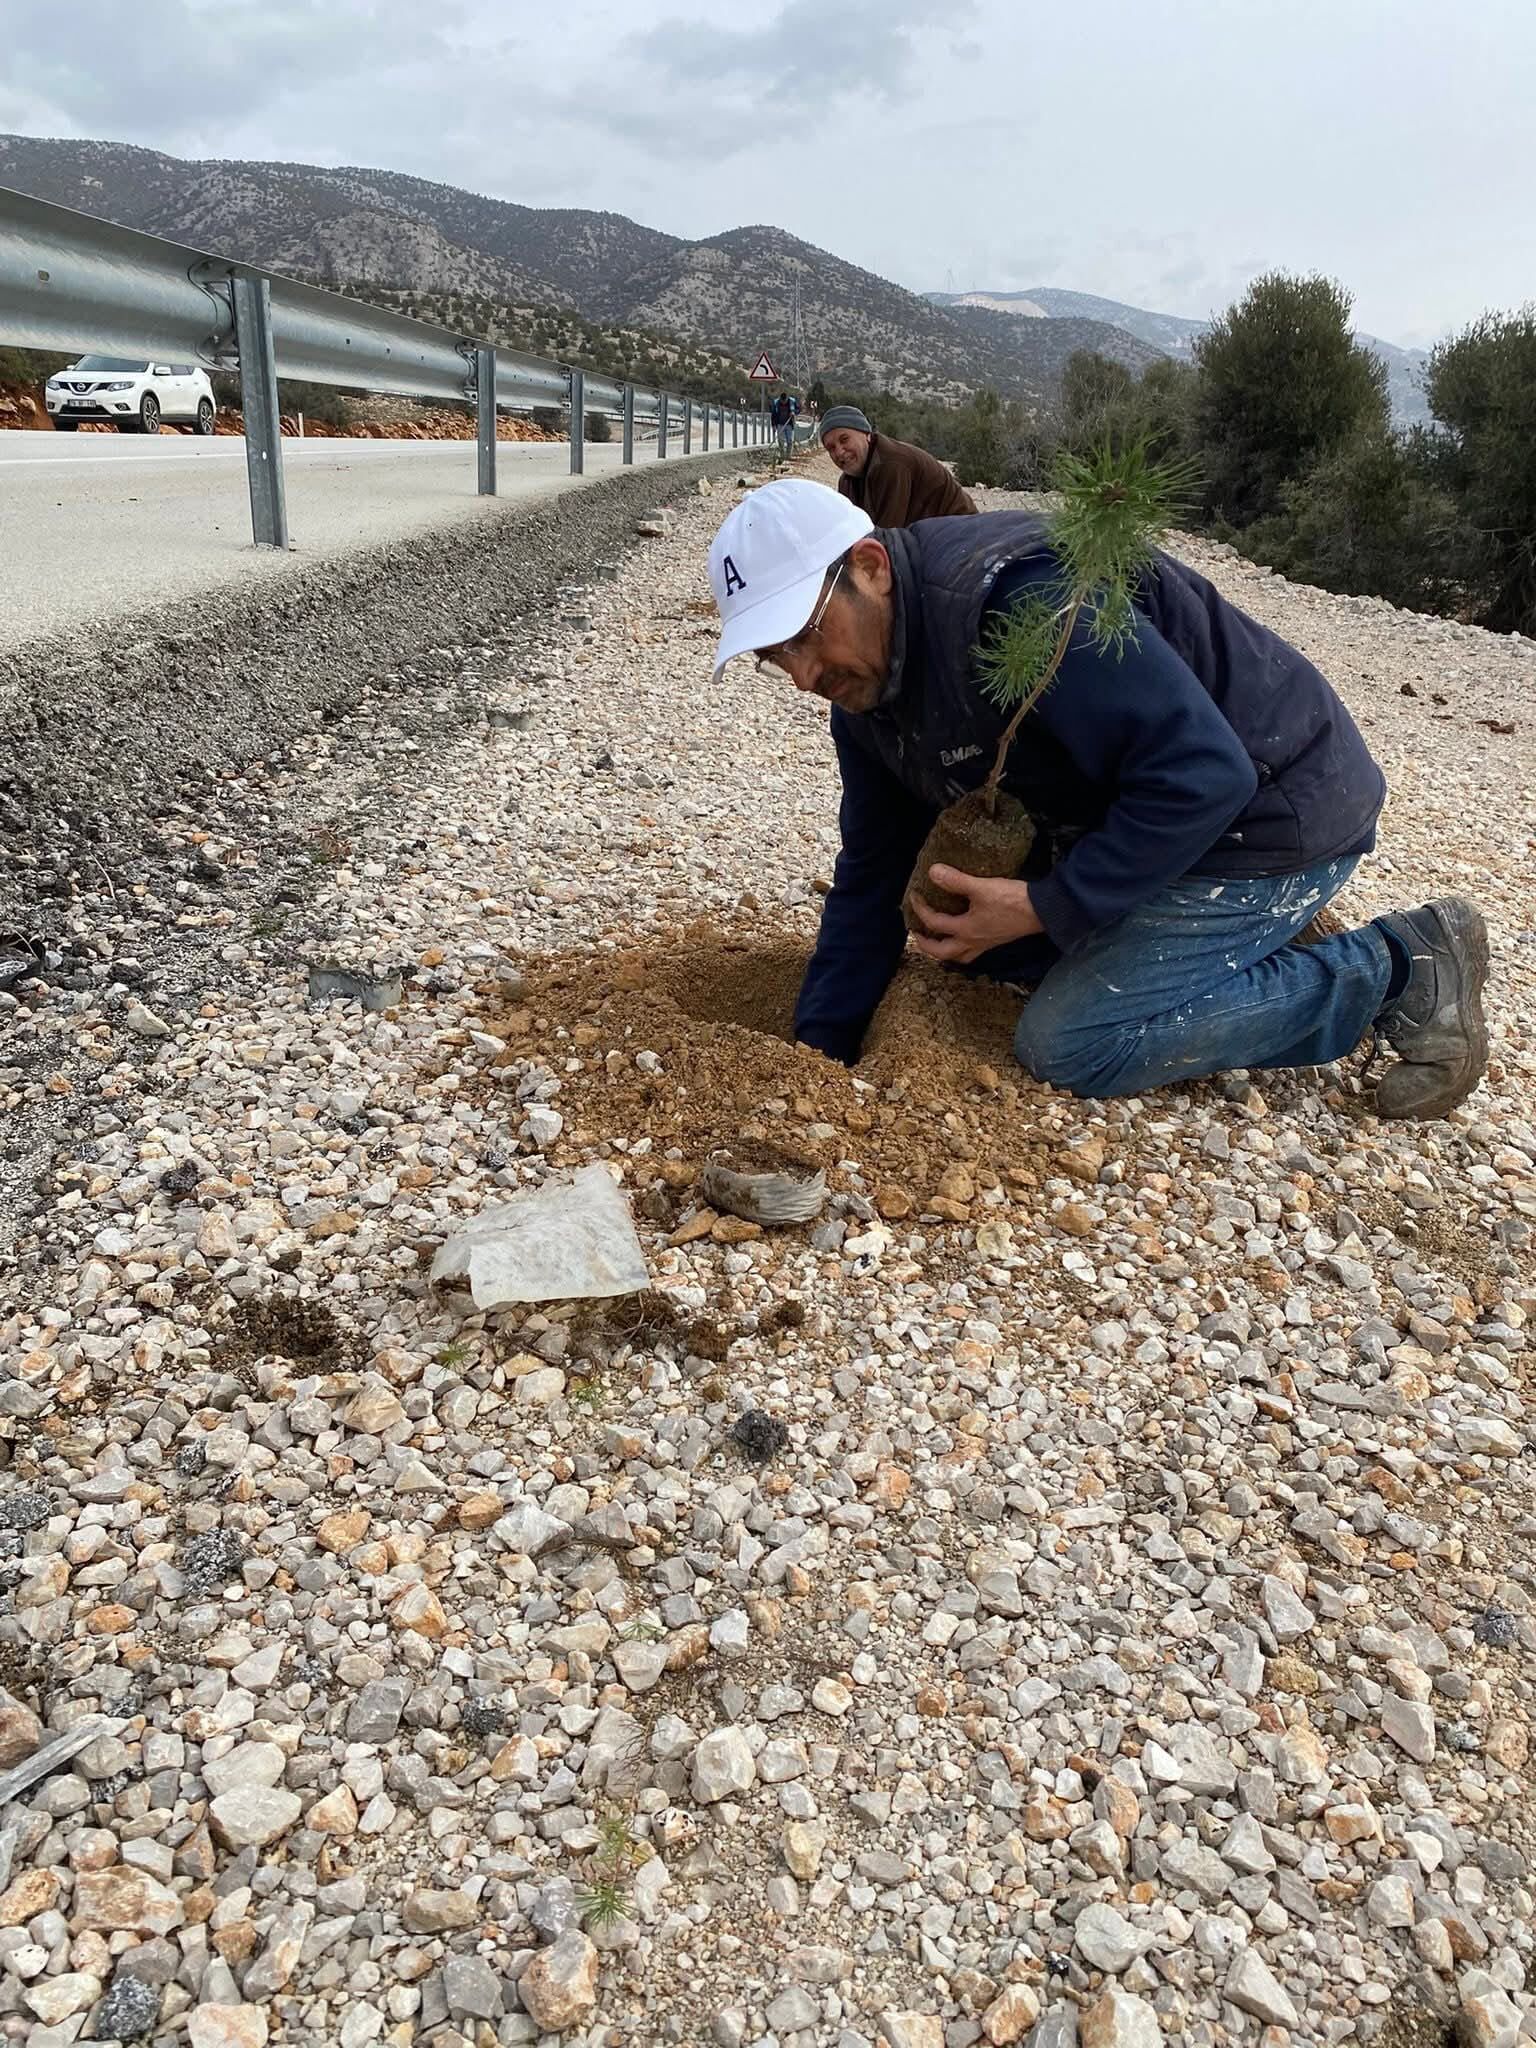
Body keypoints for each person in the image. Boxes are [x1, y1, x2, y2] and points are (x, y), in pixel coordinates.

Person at [705, 478, 1490, 1119]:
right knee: (982, 951)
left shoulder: (1015, 604)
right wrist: (817, 1057)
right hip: (1154, 812)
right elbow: (873, 872)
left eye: (805, 635)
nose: (803, 677)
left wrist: (1051, 904)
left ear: (871, 565)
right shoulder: (864, 693)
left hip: (1274, 812)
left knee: (1071, 1041)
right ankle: (1242, 946)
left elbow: (1207, 774)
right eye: (775, 656)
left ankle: (1398, 966)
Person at [818, 404, 977, 528]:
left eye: (844, 440)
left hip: (961, 533)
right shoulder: (847, 482)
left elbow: (887, 534)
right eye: (831, 448)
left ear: (867, 434)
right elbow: (851, 529)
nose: (839, 452)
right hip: (926, 536)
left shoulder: (891, 464)